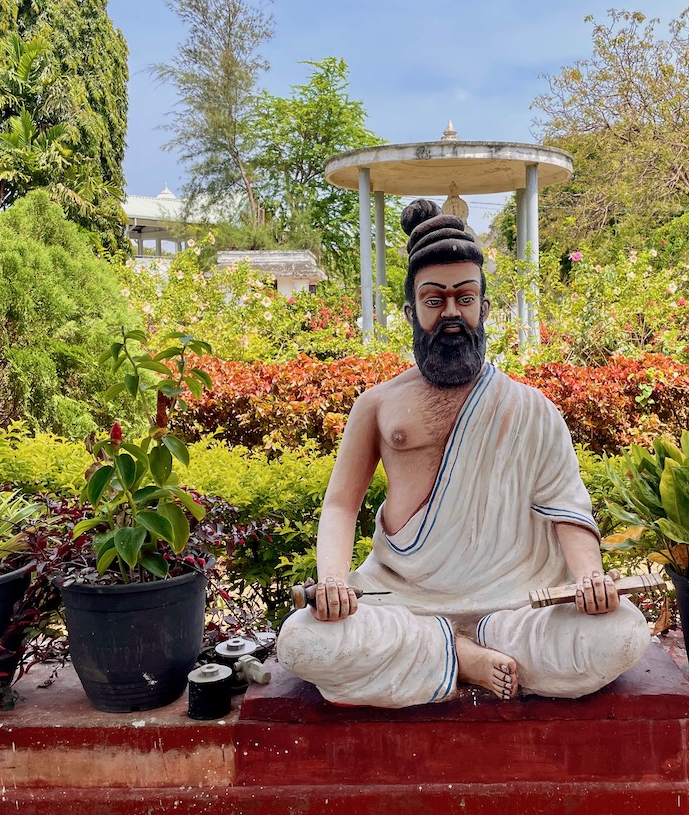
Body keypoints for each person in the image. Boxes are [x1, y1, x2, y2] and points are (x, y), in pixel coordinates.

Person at [275, 199, 650, 707]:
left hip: (517, 602)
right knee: (302, 642)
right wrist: (335, 583)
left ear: (483, 308)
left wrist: (587, 578)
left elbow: (566, 506)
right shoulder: (377, 404)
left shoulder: (529, 408)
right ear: (411, 311)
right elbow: (342, 503)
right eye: (434, 301)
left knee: (622, 634)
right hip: (402, 600)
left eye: (464, 298)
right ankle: (458, 652)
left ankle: (472, 643)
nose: (451, 313)